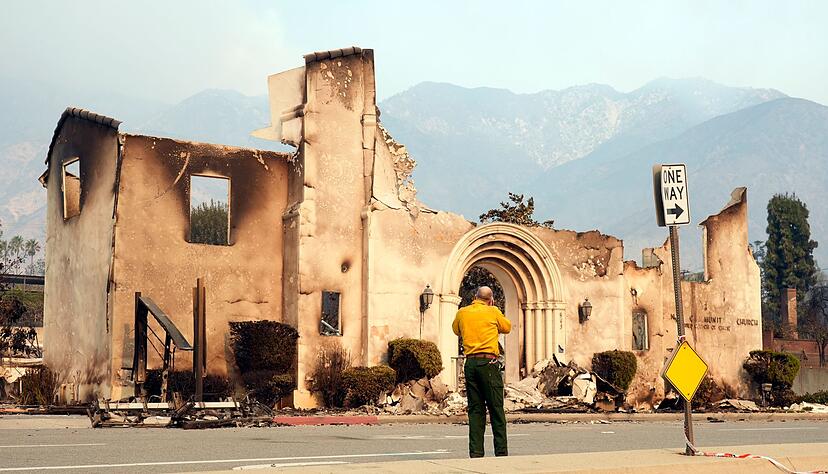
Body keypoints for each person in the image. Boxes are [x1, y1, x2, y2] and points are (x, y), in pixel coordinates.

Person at [452, 286, 511, 458]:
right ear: (490, 299)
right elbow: (507, 327)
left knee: (475, 409)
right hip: (489, 363)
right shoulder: (493, 311)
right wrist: (493, 309)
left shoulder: (462, 312)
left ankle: (476, 452)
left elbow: (456, 330)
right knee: (496, 408)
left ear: (475, 297)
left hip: (470, 363)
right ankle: (501, 451)